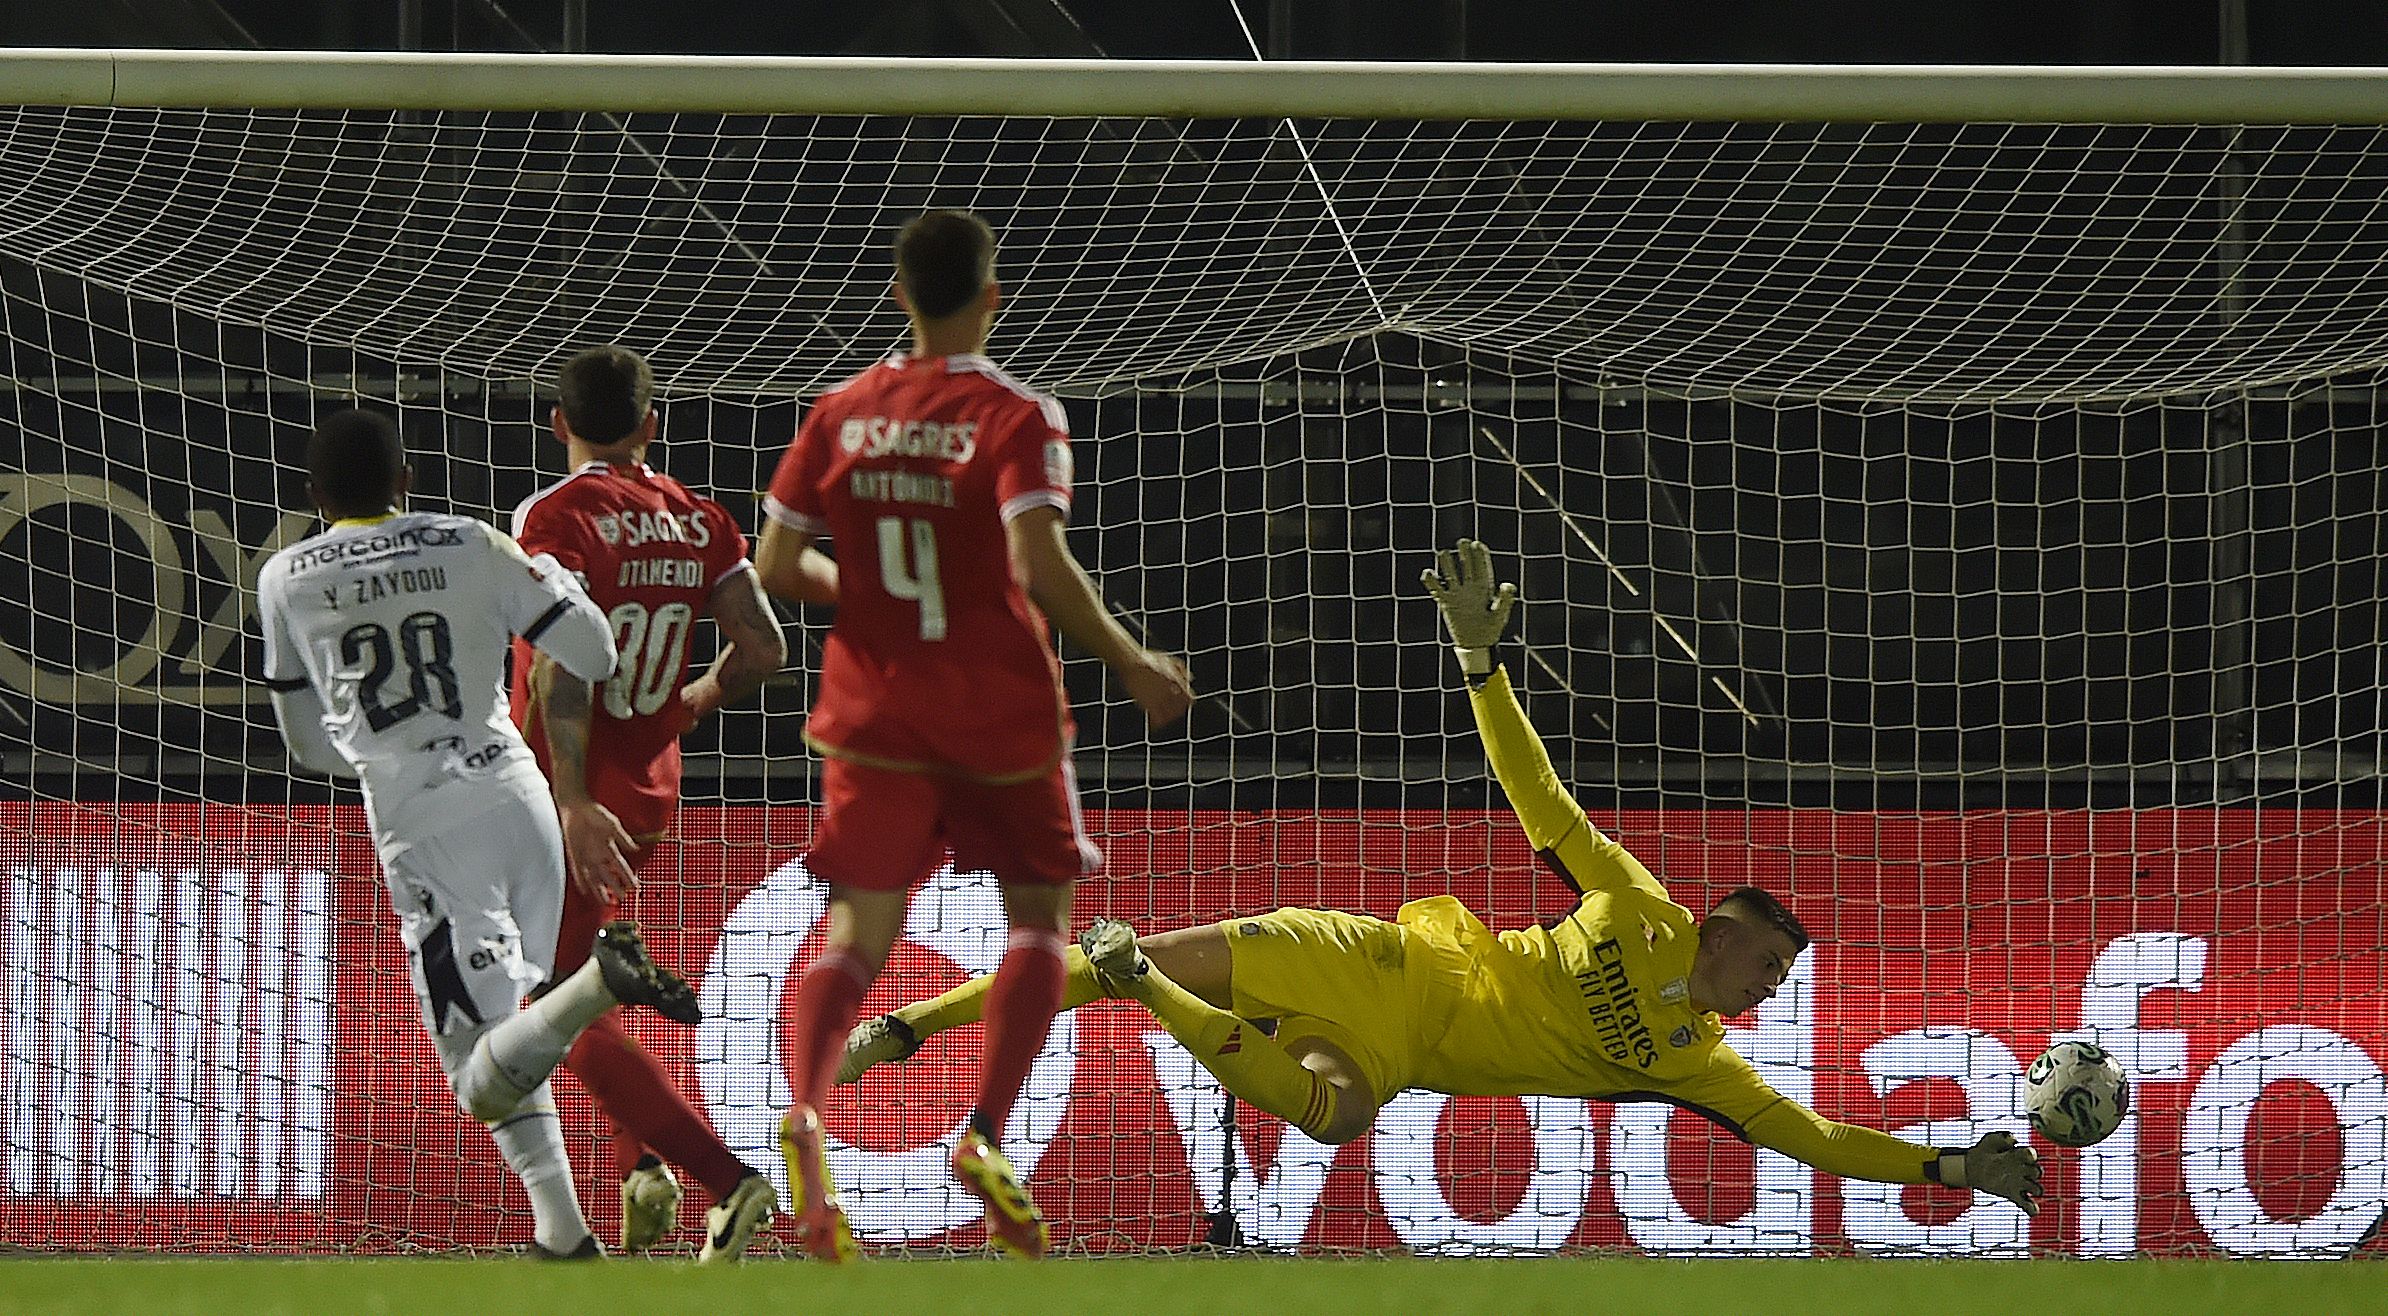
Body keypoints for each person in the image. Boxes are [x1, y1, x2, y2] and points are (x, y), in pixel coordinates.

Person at [840, 539, 2044, 1232]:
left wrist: (1946, 1167)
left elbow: (1825, 1139)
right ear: (1721, 929)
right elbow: (1541, 798)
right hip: (1369, 957)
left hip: (1394, 1048)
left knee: (1335, 1112)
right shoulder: (1636, 905)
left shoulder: (1700, 1062)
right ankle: (902, 1025)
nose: (1774, 990)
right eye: (1772, 965)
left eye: (1785, 979)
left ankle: (1144, 979)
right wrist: (1482, 661)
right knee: (1091, 974)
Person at [752, 208, 1196, 1261]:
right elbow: (1038, 563)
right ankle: (985, 1130)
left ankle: (809, 1114)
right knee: (1040, 918)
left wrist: (856, 588)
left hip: (876, 709)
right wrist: (1131, 658)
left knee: (860, 934)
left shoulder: (841, 410)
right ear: (991, 297)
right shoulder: (1016, 413)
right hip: (999, 714)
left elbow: (772, 566)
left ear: (898, 294)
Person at [257, 408, 704, 1259]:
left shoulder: (286, 576)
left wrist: (377, 751)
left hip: (426, 826)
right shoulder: (470, 540)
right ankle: (564, 1236)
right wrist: (553, 583)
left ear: (314, 496)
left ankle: (600, 986)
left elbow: (308, 745)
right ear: (406, 482)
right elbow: (598, 655)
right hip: (520, 797)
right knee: (510, 1037)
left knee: (477, 1075)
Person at [508, 346, 788, 1262]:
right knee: (592, 984)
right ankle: (642, 1171)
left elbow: (559, 660)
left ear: (559, 424)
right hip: (654, 788)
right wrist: (695, 699)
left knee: (552, 1007)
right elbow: (764, 647)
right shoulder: (701, 522)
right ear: (651, 424)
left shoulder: (555, 516)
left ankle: (729, 1182)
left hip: (568, 795)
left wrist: (573, 798)